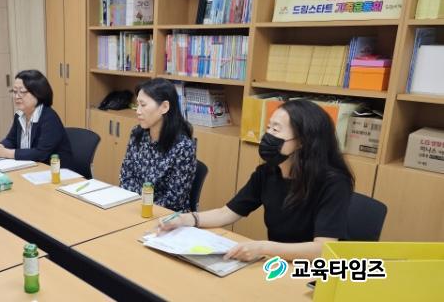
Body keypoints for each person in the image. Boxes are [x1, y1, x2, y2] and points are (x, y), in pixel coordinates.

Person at [159, 99, 354, 261]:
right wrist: (187, 219)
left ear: (302, 142)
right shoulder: (268, 172)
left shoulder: (334, 183)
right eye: (268, 127)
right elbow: (227, 212)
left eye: (276, 130)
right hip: (278, 262)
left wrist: (263, 248)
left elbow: (323, 249)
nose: (267, 136)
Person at [119, 78, 197, 212]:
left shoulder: (183, 147)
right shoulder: (138, 134)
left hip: (166, 217)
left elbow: (174, 201)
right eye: (137, 105)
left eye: (143, 105)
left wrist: (145, 206)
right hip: (135, 208)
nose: (138, 111)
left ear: (164, 107)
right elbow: (126, 177)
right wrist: (137, 204)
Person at [0, 70, 76, 174]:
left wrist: (7, 153)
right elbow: (11, 140)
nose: (17, 96)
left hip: (56, 173)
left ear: (38, 93)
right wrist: (0, 147)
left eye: (22, 92)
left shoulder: (49, 118)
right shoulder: (20, 115)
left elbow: (41, 153)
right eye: (14, 92)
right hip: (30, 168)